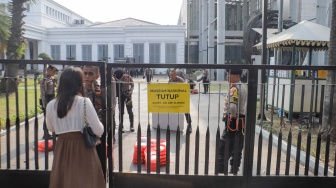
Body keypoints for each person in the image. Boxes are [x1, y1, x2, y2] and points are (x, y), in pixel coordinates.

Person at [46, 67, 105, 188]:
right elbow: (98, 131)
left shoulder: (51, 104)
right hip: (82, 148)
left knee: (64, 180)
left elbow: (51, 128)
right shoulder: (83, 102)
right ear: (78, 83)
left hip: (62, 147)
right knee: (85, 181)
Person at [218, 68, 247, 175]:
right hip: (241, 120)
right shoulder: (242, 87)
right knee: (237, 147)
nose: (227, 76)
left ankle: (221, 174)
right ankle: (234, 171)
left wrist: (232, 116)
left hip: (233, 121)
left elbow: (233, 107)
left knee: (223, 148)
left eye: (228, 74)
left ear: (236, 75)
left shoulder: (234, 89)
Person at [40, 64, 58, 139]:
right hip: (46, 99)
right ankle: (45, 133)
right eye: (53, 71)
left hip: (52, 98)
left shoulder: (52, 78)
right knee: (47, 117)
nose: (54, 73)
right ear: (49, 71)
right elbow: (43, 93)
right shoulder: (44, 80)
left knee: (54, 116)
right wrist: (45, 104)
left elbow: (54, 88)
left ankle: (55, 132)